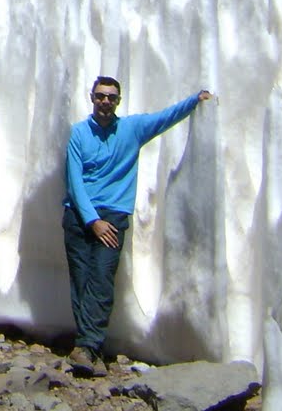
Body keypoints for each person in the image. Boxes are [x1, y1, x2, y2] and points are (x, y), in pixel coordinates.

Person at [63, 76, 213, 377]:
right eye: (101, 96)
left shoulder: (131, 129)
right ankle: (87, 346)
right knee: (81, 280)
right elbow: (74, 180)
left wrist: (195, 101)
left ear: (118, 101)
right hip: (80, 216)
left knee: (102, 279)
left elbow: (164, 118)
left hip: (114, 216)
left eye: (112, 97)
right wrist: (92, 220)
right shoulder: (79, 133)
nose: (106, 101)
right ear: (92, 98)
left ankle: (88, 346)